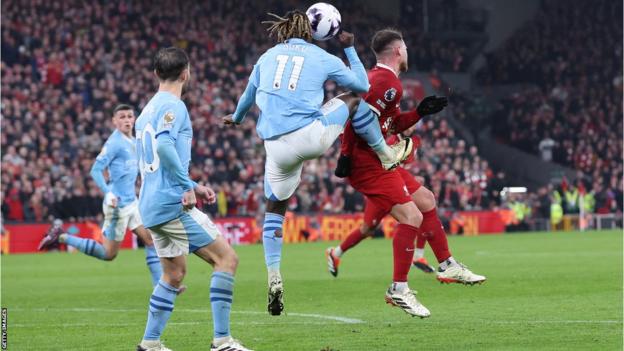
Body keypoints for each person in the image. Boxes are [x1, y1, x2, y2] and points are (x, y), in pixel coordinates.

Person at [223, 11, 413, 316]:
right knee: (353, 100)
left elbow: (248, 95)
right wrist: (349, 47)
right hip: (311, 136)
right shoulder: (320, 55)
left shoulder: (267, 56)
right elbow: (363, 85)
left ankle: (274, 275)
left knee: (275, 207)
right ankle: (386, 153)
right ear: (313, 33)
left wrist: (236, 118)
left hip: (275, 147)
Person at [326, 29, 486, 317]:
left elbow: (389, 124)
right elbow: (357, 118)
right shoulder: (386, 82)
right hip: (368, 163)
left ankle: (447, 265)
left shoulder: (385, 81)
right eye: (406, 47)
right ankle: (398, 288)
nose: (408, 52)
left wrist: (420, 113)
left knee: (426, 200)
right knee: (411, 216)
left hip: (376, 159)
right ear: (398, 51)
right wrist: (346, 154)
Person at [134, 47, 251, 351]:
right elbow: (163, 147)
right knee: (226, 259)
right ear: (186, 73)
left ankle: (150, 343)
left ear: (155, 74)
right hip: (171, 204)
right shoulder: (175, 106)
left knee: (173, 274)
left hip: (150, 204)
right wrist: (190, 185)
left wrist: (190, 184)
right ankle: (222, 341)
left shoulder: (144, 112)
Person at [38, 104, 162, 287]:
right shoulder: (114, 143)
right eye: (122, 117)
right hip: (117, 205)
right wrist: (108, 192)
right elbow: (95, 170)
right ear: (114, 121)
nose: (127, 120)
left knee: (151, 240)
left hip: (132, 202)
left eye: (129, 116)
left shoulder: (134, 141)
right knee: (108, 254)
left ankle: (160, 287)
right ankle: (62, 237)